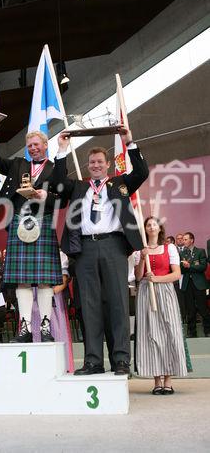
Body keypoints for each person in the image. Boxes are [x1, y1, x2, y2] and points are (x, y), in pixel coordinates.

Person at [51, 129, 149, 375]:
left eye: (99, 162)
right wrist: (62, 150)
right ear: (88, 165)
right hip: (84, 248)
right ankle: (93, 360)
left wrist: (129, 141)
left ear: (107, 165)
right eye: (92, 162)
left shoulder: (120, 183)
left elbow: (142, 172)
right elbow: (57, 184)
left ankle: (121, 360)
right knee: (88, 304)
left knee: (117, 302)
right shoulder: (77, 188)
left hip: (114, 245)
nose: (95, 165)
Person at [0, 113, 64, 343]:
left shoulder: (53, 168)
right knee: (21, 279)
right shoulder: (18, 164)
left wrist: (45, 196)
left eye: (36, 144)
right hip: (19, 221)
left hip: (44, 222)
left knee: (45, 280)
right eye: (29, 145)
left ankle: (46, 327)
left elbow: (62, 196)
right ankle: (26, 328)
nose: (32, 148)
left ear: (45, 145)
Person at [135, 217, 187, 394]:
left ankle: (168, 380)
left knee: (169, 332)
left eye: (154, 224)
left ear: (159, 228)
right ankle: (157, 380)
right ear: (145, 229)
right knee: (151, 334)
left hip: (165, 293)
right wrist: (143, 258)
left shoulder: (169, 248)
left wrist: (156, 279)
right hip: (146, 293)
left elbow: (177, 274)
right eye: (148, 225)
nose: (151, 227)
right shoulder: (140, 251)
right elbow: (138, 276)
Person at [180, 232, 210, 337]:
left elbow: (203, 267)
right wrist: (186, 267)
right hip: (187, 284)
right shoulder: (182, 253)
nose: (183, 241)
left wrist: (190, 267)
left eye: (185, 239)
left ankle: (208, 330)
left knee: (203, 308)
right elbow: (180, 270)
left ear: (192, 240)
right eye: (183, 239)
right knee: (190, 309)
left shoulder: (200, 251)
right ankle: (192, 332)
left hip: (199, 284)